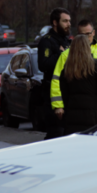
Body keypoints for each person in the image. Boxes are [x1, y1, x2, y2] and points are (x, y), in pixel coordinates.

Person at [51, 20, 97, 112]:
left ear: (93, 33)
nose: (85, 38)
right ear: (77, 35)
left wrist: (87, 55)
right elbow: (56, 79)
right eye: (82, 35)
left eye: (88, 34)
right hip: (75, 102)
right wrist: (58, 106)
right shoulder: (66, 54)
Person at [57, 35, 97, 135]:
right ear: (87, 47)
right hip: (94, 118)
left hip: (72, 119)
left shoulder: (66, 70)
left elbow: (65, 97)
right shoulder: (96, 65)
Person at [38, 8, 72, 139]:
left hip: (67, 92)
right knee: (56, 132)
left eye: (69, 21)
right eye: (65, 21)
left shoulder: (66, 41)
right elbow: (43, 64)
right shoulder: (47, 41)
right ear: (55, 22)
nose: (68, 24)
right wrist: (60, 54)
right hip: (52, 93)